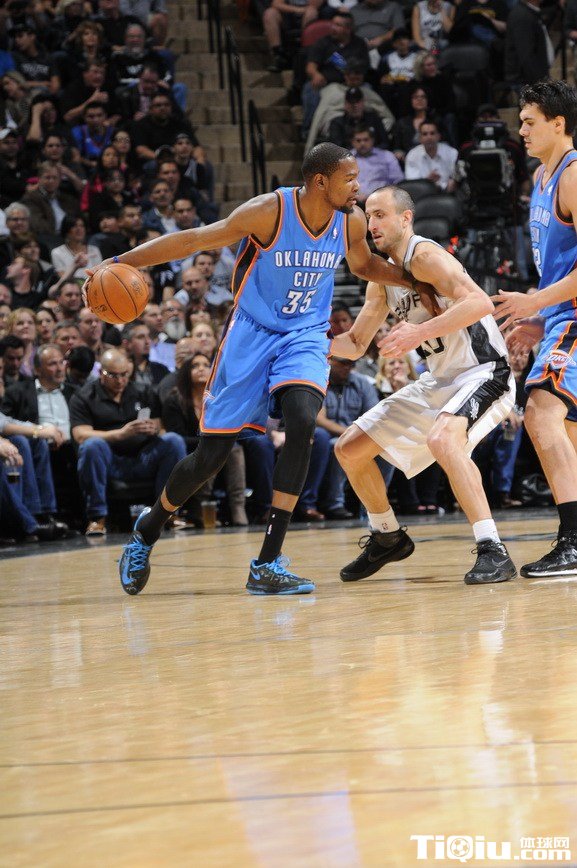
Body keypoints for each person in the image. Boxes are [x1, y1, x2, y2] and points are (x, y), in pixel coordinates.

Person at [87, 142, 428, 596]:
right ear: (320, 181)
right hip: (250, 334)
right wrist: (120, 262)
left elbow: (364, 265)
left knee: (303, 423)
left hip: (305, 334)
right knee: (210, 457)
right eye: (350, 179)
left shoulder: (351, 220)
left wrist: (416, 278)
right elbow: (193, 239)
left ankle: (267, 562)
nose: (357, 187)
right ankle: (147, 530)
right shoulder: (269, 212)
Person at [331, 184, 517, 585]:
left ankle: (493, 548)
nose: (372, 223)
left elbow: (480, 302)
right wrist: (305, 343)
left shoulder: (426, 256)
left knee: (443, 439)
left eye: (381, 214)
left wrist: (419, 333)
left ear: (406, 218)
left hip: (484, 370)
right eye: (369, 215)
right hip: (440, 379)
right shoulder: (381, 277)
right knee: (348, 449)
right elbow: (356, 343)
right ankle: (387, 536)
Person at [493, 80, 577, 578]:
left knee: (541, 414)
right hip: (560, 318)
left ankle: (572, 543)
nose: (521, 130)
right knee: (565, 431)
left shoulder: (573, 175)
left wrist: (537, 302)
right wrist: (540, 318)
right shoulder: (542, 177)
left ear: (558, 124)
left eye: (529, 122)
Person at [69, 347, 187, 535]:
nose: (120, 380)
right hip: (110, 459)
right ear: (101, 372)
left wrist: (154, 429)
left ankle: (169, 513)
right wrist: (121, 433)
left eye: (124, 374)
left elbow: (160, 425)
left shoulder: (142, 391)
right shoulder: (84, 396)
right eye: (113, 375)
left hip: (143, 457)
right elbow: (80, 435)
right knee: (92, 445)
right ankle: (97, 518)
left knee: (173, 441)